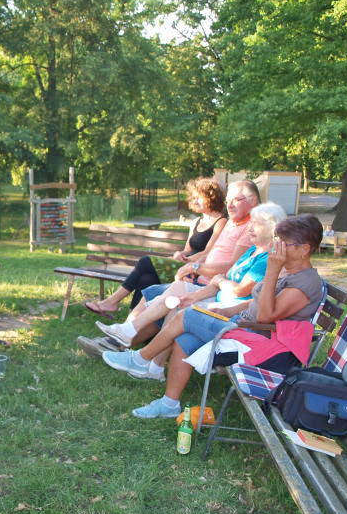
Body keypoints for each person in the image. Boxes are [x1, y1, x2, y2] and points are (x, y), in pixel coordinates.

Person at [120, 214, 325, 419]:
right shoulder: (289, 272)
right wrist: (227, 311)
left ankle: (140, 359)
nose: (275, 248)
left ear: (304, 249)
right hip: (242, 326)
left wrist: (272, 270)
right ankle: (169, 404)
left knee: (187, 316)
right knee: (185, 339)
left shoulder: (306, 282)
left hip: (262, 345)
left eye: (282, 244)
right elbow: (258, 302)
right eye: (276, 241)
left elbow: (264, 316)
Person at [99, 202, 286, 358]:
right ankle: (131, 335)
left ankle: (143, 352)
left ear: (273, 228)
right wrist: (197, 293)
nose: (250, 228)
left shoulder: (268, 257)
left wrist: (217, 281)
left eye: (257, 224)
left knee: (169, 297)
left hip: (232, 310)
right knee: (174, 289)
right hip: (217, 296)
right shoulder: (252, 251)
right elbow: (220, 282)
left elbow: (239, 291)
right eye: (251, 223)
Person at [85, 177, 227, 316]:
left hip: (195, 270)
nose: (194, 201)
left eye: (198, 197)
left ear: (211, 197)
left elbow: (208, 252)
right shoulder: (196, 221)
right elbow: (187, 249)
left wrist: (186, 261)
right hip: (182, 263)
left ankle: (112, 302)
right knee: (146, 279)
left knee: (145, 261)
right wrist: (180, 254)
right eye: (194, 197)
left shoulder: (221, 222)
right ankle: (131, 321)